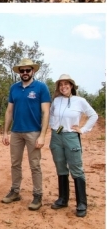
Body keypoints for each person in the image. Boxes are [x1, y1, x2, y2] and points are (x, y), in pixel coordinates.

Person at [1, 58, 50, 211]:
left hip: (33, 132)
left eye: (27, 70)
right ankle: (15, 191)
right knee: (15, 163)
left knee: (34, 164)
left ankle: (37, 195)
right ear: (19, 73)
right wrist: (5, 132)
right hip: (16, 132)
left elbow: (46, 112)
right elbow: (9, 111)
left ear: (33, 71)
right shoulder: (14, 88)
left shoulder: (41, 87)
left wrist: (42, 135)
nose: (25, 73)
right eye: (22, 71)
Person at [48, 74, 98, 218]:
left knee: (76, 168)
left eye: (66, 84)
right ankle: (63, 199)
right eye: (61, 84)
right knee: (60, 166)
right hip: (56, 136)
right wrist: (53, 126)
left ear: (71, 86)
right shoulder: (56, 100)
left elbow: (93, 115)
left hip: (71, 136)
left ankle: (81, 203)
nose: (63, 87)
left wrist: (82, 129)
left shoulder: (80, 101)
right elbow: (51, 115)